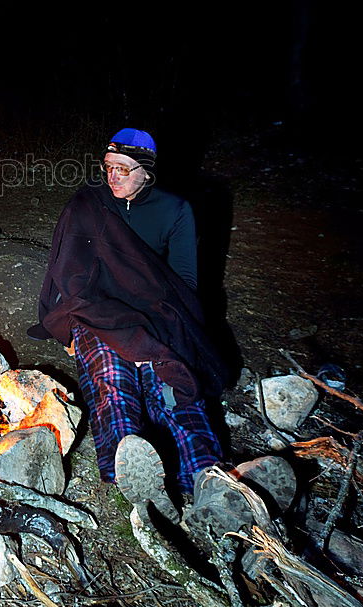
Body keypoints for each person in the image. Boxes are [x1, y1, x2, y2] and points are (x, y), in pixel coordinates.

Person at [29, 128, 230, 523]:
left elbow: (184, 285)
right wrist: (70, 327)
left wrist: (153, 335)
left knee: (171, 381)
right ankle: (133, 481)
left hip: (155, 312)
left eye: (124, 169)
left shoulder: (175, 210)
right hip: (97, 311)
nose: (113, 177)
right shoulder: (88, 204)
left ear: (148, 172)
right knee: (113, 380)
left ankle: (212, 482)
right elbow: (66, 273)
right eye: (108, 167)